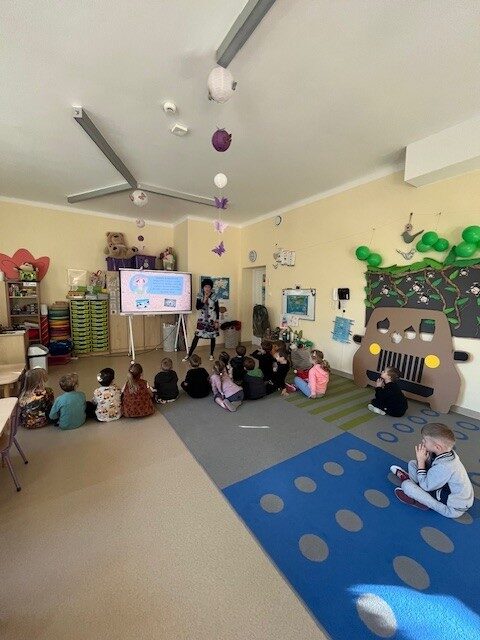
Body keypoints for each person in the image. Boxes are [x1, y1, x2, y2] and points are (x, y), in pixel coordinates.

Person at [391, 423, 474, 518]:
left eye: (425, 440)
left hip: (452, 508)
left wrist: (421, 461)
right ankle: (416, 489)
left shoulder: (445, 466)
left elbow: (426, 486)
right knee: (412, 464)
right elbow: (433, 467)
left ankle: (419, 498)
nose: (422, 441)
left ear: (437, 447)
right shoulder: (447, 453)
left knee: (406, 486)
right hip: (445, 489)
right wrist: (425, 459)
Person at [182, 278, 219, 362]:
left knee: (212, 336)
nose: (207, 288)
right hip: (202, 318)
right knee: (197, 336)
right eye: (205, 286)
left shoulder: (214, 296)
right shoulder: (200, 295)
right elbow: (198, 307)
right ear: (203, 287)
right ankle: (189, 354)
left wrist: (217, 320)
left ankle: (211, 354)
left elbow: (217, 308)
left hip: (212, 318)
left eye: (209, 287)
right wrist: (205, 298)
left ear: (211, 287)